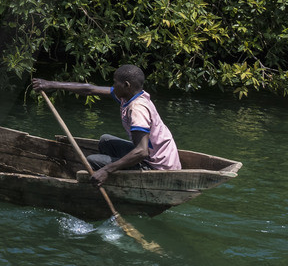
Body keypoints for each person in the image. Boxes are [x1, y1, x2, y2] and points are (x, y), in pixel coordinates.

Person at [31, 65, 181, 185]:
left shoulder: (137, 109)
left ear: (126, 85)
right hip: (155, 157)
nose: (113, 85)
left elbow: (142, 152)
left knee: (92, 161)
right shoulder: (130, 96)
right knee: (105, 141)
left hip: (157, 166)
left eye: (115, 82)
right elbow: (89, 89)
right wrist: (51, 84)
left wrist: (106, 170)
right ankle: (114, 179)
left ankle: (108, 181)